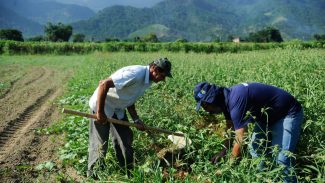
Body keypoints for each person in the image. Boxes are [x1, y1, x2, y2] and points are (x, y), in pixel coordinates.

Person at [193, 82, 303, 182]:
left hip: (287, 113)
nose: (206, 110)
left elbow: (240, 140)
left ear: (212, 99)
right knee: (255, 149)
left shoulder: (236, 99)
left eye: (205, 105)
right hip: (265, 117)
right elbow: (231, 129)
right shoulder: (225, 102)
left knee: (281, 160)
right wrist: (223, 151)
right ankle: (262, 178)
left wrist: (227, 167)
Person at [87, 58, 172, 178]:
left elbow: (130, 98)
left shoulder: (147, 81)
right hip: (102, 105)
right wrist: (100, 113)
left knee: (125, 139)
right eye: (163, 76)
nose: (163, 79)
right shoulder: (135, 74)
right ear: (155, 69)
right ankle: (93, 176)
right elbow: (103, 84)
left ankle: (128, 172)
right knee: (100, 144)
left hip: (118, 108)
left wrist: (136, 119)